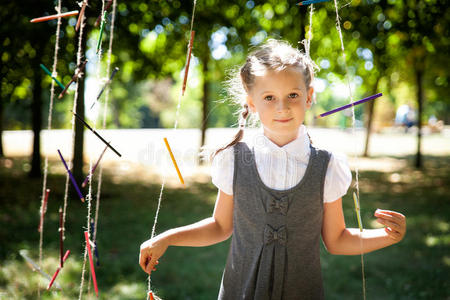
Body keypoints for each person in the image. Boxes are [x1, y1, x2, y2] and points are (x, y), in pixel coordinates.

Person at [139, 39, 406, 299]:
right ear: (252, 103)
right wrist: (167, 238)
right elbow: (220, 226)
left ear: (309, 96)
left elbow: (336, 240)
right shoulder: (234, 159)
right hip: (239, 290)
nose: (283, 107)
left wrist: (386, 236)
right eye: (269, 97)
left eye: (293, 95)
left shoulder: (327, 164)